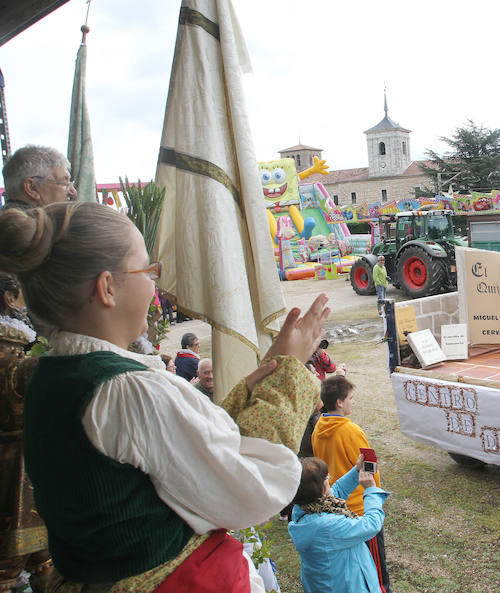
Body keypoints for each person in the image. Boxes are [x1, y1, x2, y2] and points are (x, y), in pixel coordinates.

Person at [0, 201, 330, 591]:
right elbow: (247, 489)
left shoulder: (52, 377)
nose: (155, 282)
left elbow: (173, 457)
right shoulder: (127, 392)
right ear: (107, 288)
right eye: (148, 270)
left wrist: (247, 395)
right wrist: (288, 377)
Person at [0, 274, 56, 592]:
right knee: (25, 561)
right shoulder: (17, 362)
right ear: (9, 298)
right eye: (22, 295)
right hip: (18, 473)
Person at [312, 376, 390, 593]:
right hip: (360, 509)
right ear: (339, 402)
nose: (353, 402)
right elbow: (370, 466)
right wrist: (375, 496)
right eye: (351, 398)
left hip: (336, 507)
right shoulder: (352, 430)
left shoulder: (318, 427)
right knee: (376, 570)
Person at [287, 455, 388, 593]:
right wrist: (371, 490)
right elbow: (371, 524)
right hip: (348, 586)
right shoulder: (326, 526)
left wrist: (357, 470)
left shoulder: (302, 510)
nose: (329, 480)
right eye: (326, 478)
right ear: (319, 488)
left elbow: (336, 492)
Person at [1, 145, 77, 210]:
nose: (73, 193)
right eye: (64, 183)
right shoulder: (33, 226)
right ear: (32, 188)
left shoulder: (9, 221)